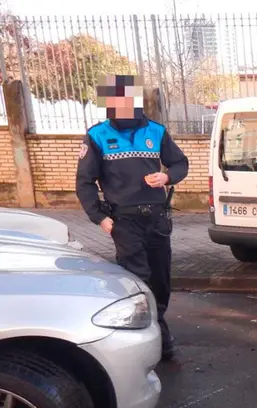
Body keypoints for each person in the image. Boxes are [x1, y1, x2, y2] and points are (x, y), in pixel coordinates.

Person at [76, 74, 189, 361]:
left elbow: (180, 162)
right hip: (123, 221)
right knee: (138, 279)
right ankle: (149, 340)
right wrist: (100, 218)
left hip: (156, 218)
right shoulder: (97, 135)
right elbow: (85, 182)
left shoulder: (156, 131)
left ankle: (157, 324)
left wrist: (166, 176)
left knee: (161, 280)